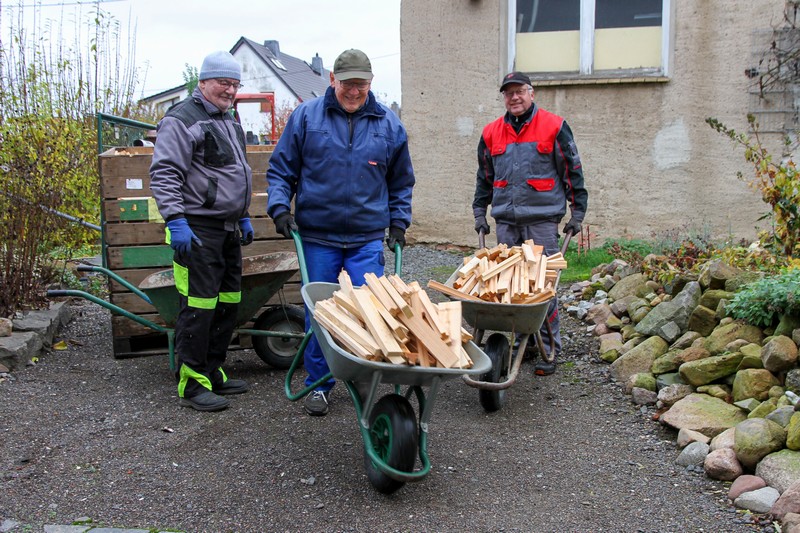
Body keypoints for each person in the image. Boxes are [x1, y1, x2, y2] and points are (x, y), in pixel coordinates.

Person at [267, 48, 415, 416]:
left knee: (369, 310)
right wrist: (279, 208)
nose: (353, 91)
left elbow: (401, 182)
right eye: (347, 83)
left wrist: (399, 222)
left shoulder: (388, 125)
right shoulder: (307, 117)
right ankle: (319, 383)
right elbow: (281, 170)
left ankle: (364, 376)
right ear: (332, 79)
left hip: (366, 236)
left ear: (370, 83)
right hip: (318, 236)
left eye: (361, 84)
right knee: (320, 311)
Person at [150, 51, 254, 412]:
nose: (230, 90)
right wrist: (175, 220)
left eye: (235, 84)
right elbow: (165, 172)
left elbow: (234, 172)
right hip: (196, 230)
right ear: (204, 82)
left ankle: (212, 370)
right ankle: (192, 382)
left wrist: (242, 215)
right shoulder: (182, 119)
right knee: (198, 306)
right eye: (224, 83)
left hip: (227, 229)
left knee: (227, 302)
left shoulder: (230, 119)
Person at [473, 71, 588, 376]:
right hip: (506, 222)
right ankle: (522, 341)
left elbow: (572, 171)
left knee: (542, 288)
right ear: (504, 97)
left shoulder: (554, 126)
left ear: (531, 93)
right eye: (508, 93)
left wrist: (577, 212)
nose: (514, 97)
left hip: (542, 221)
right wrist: (479, 213)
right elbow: (484, 178)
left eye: (519, 91)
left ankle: (548, 348)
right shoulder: (491, 133)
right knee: (510, 287)